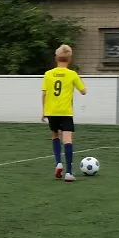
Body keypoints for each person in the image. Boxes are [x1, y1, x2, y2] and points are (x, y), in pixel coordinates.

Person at [41, 44, 87, 182]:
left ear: (56, 58)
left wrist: (43, 111)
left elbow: (44, 94)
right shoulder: (72, 74)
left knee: (55, 135)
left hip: (51, 111)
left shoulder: (48, 74)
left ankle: (58, 163)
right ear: (70, 59)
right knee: (67, 140)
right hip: (65, 112)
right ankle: (68, 172)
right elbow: (83, 91)